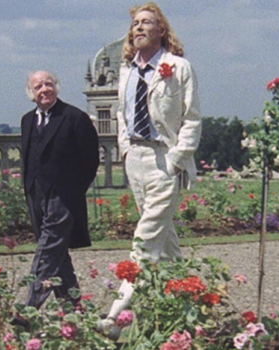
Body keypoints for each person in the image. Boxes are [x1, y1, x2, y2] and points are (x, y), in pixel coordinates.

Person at [99, 2, 201, 332]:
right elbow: (121, 114)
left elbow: (192, 119)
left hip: (164, 161)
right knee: (164, 242)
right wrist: (126, 150)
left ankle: (114, 317)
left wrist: (175, 161)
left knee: (144, 242)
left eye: (147, 23)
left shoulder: (179, 67)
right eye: (136, 23)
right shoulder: (127, 71)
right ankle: (191, 306)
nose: (139, 28)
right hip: (136, 161)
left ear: (161, 30)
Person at [20, 71, 99, 312]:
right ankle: (73, 310)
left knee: (47, 250)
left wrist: (73, 191)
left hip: (63, 196)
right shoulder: (26, 120)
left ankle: (28, 308)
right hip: (36, 194)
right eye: (38, 86)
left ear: (57, 86)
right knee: (58, 254)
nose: (44, 89)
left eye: (48, 84)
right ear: (31, 93)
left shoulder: (74, 117)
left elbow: (91, 160)